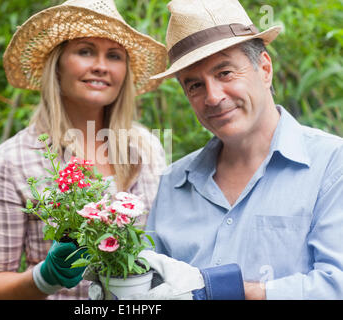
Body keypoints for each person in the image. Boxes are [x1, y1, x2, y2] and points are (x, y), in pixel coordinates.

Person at [124, 0, 343, 300]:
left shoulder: (331, 164)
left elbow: (336, 285)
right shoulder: (174, 183)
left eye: (225, 73)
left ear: (265, 69)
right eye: (194, 86)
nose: (212, 97)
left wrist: (222, 290)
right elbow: (146, 288)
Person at [0, 0, 168, 300]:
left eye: (114, 55)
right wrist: (44, 277)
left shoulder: (147, 147)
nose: (101, 66)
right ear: (57, 65)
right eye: (85, 51)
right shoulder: (13, 162)